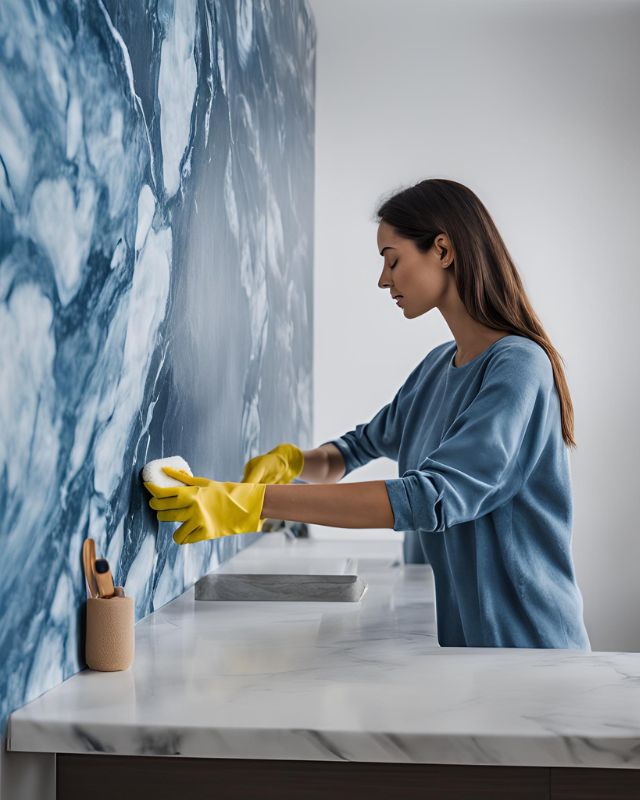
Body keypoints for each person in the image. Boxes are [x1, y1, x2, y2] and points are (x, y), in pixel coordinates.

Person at [145, 178, 591, 651]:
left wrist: (255, 502)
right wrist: (295, 462)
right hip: (470, 652)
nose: (384, 279)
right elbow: (357, 449)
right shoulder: (438, 368)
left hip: (531, 650)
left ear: (442, 249)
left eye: (392, 259)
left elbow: (431, 498)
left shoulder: (519, 367)